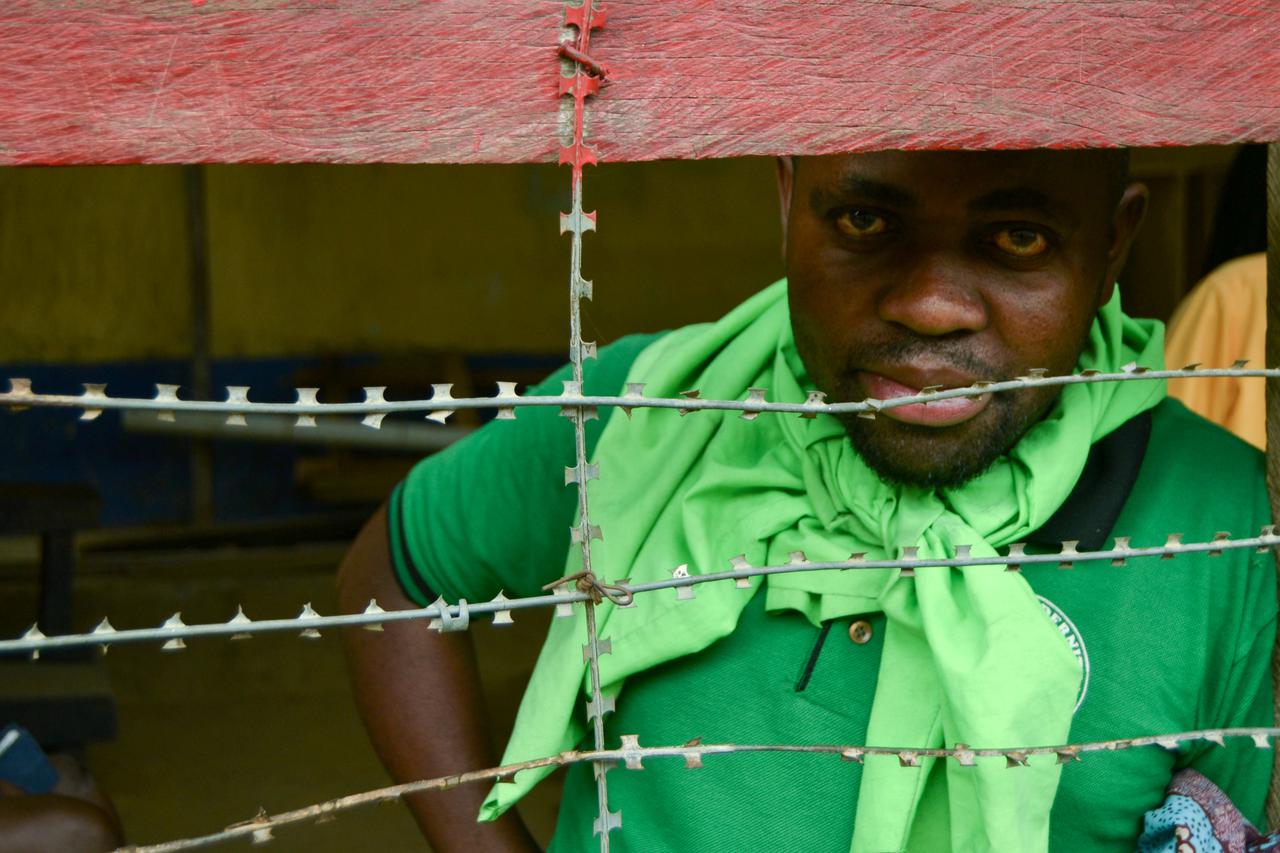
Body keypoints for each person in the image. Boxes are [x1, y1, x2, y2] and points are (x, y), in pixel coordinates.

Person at [338, 149, 1276, 853]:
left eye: (1019, 238)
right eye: (868, 221)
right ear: (789, 197)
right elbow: (393, 574)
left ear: (1114, 242)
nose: (931, 306)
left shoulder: (1221, 521)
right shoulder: (649, 413)